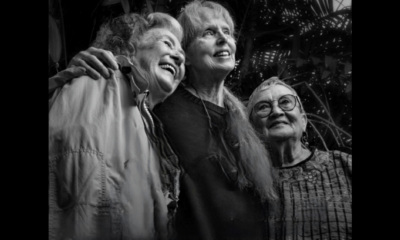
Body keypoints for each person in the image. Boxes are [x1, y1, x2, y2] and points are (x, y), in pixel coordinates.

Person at [51, 1, 278, 239]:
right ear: (188, 54)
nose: (223, 39)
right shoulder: (160, 103)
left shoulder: (242, 119)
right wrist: (81, 67)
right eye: (209, 32)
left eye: (228, 32)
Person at [49, 12, 185, 240]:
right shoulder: (99, 82)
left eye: (181, 54)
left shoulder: (148, 126)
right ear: (130, 46)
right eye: (167, 42)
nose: (179, 58)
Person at [247, 77, 352, 240]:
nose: (276, 111)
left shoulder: (345, 165)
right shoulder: (244, 183)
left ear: (303, 121)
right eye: (263, 107)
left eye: (285, 102)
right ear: (252, 129)